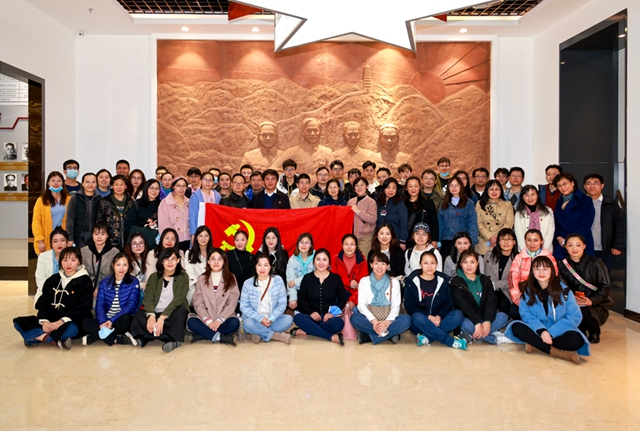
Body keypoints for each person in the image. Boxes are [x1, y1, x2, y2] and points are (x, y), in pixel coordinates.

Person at [505, 255, 589, 364]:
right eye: (537, 269)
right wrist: (542, 331)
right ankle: (555, 352)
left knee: (576, 340)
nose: (541, 272)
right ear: (532, 272)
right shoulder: (527, 290)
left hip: (559, 330)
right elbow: (526, 315)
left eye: (545, 269)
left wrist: (551, 333)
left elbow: (574, 317)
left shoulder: (565, 291)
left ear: (552, 271)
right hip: (537, 329)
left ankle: (535, 344)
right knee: (516, 327)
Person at [14, 247, 93, 349]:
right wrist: (45, 322)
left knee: (72, 328)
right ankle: (53, 339)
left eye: (73, 260)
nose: (69, 264)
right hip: (51, 320)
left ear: (79, 262)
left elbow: (84, 306)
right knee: (19, 322)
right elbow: (43, 303)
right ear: (60, 261)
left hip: (71, 320)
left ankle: (37, 337)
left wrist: (61, 321)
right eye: (65, 260)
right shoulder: (52, 280)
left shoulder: (85, 280)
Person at [131, 248, 189, 352]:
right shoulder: (154, 277)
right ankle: (170, 338)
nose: (170, 262)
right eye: (166, 259)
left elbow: (178, 300)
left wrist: (162, 318)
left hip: (172, 313)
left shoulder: (183, 277)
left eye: (173, 259)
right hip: (156, 312)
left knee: (180, 313)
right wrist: (151, 316)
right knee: (138, 316)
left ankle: (150, 336)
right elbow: (148, 298)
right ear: (162, 261)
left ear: (178, 260)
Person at [404, 250, 466, 349]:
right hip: (421, 322)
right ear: (420, 264)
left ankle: (427, 337)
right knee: (417, 316)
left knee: (458, 314)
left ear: (436, 264)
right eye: (426, 263)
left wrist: (438, 316)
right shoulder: (412, 282)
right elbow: (409, 305)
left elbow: (448, 304)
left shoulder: (443, 281)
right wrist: (428, 316)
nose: (429, 266)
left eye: (432, 263)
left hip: (439, 321)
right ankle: (450, 341)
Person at [558, 233, 614, 344]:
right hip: (574, 300)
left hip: (596, 301)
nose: (574, 248)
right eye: (570, 245)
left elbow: (605, 287)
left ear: (584, 246)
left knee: (585, 312)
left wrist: (591, 300)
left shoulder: (596, 262)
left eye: (578, 245)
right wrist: (572, 298)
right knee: (573, 311)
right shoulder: (561, 265)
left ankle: (594, 331)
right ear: (565, 247)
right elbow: (563, 286)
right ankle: (580, 330)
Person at [450, 250, 510, 344]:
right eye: (465, 262)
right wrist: (476, 323)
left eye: (472, 262)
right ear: (460, 264)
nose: (469, 266)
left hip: (484, 316)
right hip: (468, 319)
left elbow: (491, 302)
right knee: (465, 325)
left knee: (503, 317)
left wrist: (487, 321)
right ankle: (493, 338)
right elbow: (463, 305)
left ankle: (477, 335)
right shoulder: (455, 282)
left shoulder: (485, 280)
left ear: (477, 263)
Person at [351, 252, 411, 344]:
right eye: (376, 263)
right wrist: (374, 322)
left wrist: (386, 323)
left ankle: (371, 337)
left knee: (406, 320)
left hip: (388, 318)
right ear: (371, 265)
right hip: (370, 319)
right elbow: (361, 305)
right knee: (354, 318)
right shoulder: (364, 281)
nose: (379, 267)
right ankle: (389, 335)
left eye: (383, 264)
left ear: (387, 266)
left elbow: (396, 306)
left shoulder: (394, 282)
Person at [81, 253, 140, 346]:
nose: (121, 268)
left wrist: (112, 321)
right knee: (85, 322)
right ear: (113, 265)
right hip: (107, 317)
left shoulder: (134, 282)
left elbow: (131, 305)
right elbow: (100, 304)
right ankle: (116, 339)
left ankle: (96, 335)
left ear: (129, 266)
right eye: (118, 265)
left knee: (126, 319)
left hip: (120, 319)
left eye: (125, 265)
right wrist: (102, 322)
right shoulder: (105, 282)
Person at [293, 249, 347, 344]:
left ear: (329, 262)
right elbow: (301, 301)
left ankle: (306, 330)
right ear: (314, 262)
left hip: (329, 318)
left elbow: (342, 300)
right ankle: (330, 337)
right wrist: (311, 312)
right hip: (311, 317)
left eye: (324, 260)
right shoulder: (307, 278)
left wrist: (331, 314)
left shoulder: (336, 278)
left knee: (338, 324)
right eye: (318, 259)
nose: (321, 263)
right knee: (298, 318)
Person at [187, 249, 240, 345]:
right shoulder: (201, 279)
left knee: (234, 323)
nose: (216, 262)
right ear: (208, 261)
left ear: (224, 262)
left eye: (219, 259)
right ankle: (220, 337)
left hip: (224, 318)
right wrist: (208, 321)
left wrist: (219, 320)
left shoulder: (231, 278)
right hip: (205, 318)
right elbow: (198, 302)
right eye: (213, 259)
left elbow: (232, 303)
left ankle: (205, 334)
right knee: (191, 322)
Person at [239, 252, 293, 344]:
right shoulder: (248, 283)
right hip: (254, 319)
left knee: (288, 319)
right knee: (248, 323)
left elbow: (282, 304)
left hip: (272, 319)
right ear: (255, 266)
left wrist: (271, 318)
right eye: (259, 265)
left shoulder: (278, 280)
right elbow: (244, 306)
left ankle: (258, 332)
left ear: (270, 267)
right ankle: (276, 335)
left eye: (265, 265)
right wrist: (260, 319)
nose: (262, 268)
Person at [508, 229, 557, 318]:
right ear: (525, 241)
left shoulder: (548, 257)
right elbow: (512, 278)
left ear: (541, 241)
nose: (532, 243)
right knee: (514, 312)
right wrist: (516, 296)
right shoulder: (519, 257)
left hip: (543, 293)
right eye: (529, 240)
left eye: (535, 240)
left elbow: (554, 277)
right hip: (524, 293)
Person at [583, 173, 626, 270]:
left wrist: (618, 245)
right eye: (588, 183)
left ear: (602, 185)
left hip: (605, 248)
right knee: (585, 275)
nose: (592, 186)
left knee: (604, 275)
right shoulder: (580, 203)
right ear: (584, 186)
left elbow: (620, 225)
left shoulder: (610, 203)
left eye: (596, 183)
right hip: (584, 248)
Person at [552, 172, 595, 260]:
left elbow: (586, 223)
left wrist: (572, 240)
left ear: (572, 183)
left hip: (580, 242)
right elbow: (556, 222)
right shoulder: (559, 201)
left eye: (565, 184)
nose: (563, 187)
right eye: (559, 185)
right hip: (562, 243)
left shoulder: (585, 200)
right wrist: (558, 236)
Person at [438, 176, 478, 258]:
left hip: (463, 241)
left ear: (461, 186)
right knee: (448, 264)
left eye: (456, 185)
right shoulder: (443, 203)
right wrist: (438, 240)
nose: (454, 188)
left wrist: (472, 242)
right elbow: (440, 224)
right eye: (451, 185)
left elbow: (472, 224)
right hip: (446, 240)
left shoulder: (469, 203)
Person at [483, 228, 518, 315]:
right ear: (498, 242)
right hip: (488, 288)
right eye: (503, 239)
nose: (506, 242)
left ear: (514, 242)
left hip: (507, 290)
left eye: (509, 239)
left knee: (503, 305)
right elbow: (482, 271)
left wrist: (494, 285)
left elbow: (514, 281)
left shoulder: (518, 258)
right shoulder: (489, 253)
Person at [33, 171, 70, 255]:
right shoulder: (41, 200)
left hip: (64, 239)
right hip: (46, 239)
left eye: (59, 180)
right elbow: (36, 222)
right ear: (48, 183)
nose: (56, 183)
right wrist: (40, 240)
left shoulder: (69, 199)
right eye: (53, 180)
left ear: (63, 183)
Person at [475, 179, 514, 255]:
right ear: (487, 191)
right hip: (484, 240)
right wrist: (490, 237)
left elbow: (509, 224)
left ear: (501, 191)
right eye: (491, 189)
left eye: (497, 189)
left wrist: (497, 237)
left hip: (502, 241)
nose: (494, 192)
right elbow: (478, 223)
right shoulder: (479, 204)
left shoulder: (507, 205)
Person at [81, 222, 120, 295]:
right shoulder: (84, 251)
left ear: (107, 235)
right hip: (87, 287)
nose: (99, 237)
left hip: (108, 288)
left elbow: (116, 274)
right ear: (92, 235)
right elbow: (81, 271)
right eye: (96, 234)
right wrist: (90, 286)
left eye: (102, 234)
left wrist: (102, 288)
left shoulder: (115, 252)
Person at [96, 174, 134, 250]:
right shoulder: (104, 202)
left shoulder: (131, 202)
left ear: (125, 186)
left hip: (129, 242)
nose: (119, 187)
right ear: (112, 186)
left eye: (121, 185)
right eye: (116, 185)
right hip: (110, 242)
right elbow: (99, 222)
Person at [34, 227, 70, 306]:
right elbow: (40, 280)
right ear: (51, 244)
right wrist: (51, 294)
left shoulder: (73, 257)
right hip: (47, 295)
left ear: (67, 242)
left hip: (67, 295)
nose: (59, 244)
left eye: (62, 240)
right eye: (55, 241)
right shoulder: (43, 257)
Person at [332, 234, 369, 311]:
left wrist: (353, 300)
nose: (349, 247)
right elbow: (333, 280)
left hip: (355, 294)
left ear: (356, 246)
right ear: (342, 245)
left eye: (352, 244)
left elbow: (363, 285)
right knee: (334, 312)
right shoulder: (335, 259)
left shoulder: (362, 261)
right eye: (346, 244)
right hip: (337, 294)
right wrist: (349, 282)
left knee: (355, 312)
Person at [65, 172, 101, 249]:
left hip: (95, 238)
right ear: (82, 184)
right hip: (79, 237)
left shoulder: (100, 199)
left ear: (96, 184)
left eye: (93, 182)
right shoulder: (75, 198)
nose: (90, 184)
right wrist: (70, 238)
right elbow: (70, 219)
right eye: (87, 182)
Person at [514, 184, 555, 252]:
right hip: (525, 251)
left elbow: (550, 232)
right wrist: (526, 251)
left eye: (533, 194)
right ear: (523, 198)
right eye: (526, 195)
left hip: (545, 251)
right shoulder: (519, 213)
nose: (530, 198)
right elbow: (519, 234)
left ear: (537, 195)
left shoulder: (548, 211)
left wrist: (543, 250)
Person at [404, 175, 438, 248]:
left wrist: (434, 239)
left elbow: (434, 221)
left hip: (424, 239)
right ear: (406, 188)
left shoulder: (427, 202)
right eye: (410, 186)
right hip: (407, 240)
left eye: (416, 186)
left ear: (420, 187)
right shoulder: (402, 203)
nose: (413, 189)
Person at [124, 179, 161, 247]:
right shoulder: (137, 204)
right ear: (146, 189)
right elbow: (129, 225)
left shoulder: (162, 204)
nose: (154, 191)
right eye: (151, 188)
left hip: (157, 242)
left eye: (157, 188)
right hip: (139, 241)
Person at [346, 176, 377, 257]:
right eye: (357, 185)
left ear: (367, 186)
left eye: (362, 185)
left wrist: (358, 211)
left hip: (365, 237)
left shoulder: (371, 202)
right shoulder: (350, 202)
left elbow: (373, 219)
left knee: (363, 259)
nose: (359, 187)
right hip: (352, 237)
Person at [158, 176, 190, 251]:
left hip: (188, 239)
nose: (181, 188)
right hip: (172, 241)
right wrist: (167, 240)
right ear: (173, 186)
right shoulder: (165, 203)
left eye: (184, 186)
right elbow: (163, 225)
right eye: (178, 186)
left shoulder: (189, 202)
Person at [285, 233, 315, 312]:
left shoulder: (316, 258)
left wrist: (296, 281)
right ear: (297, 244)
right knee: (290, 297)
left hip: (314, 289)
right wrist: (293, 298)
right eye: (301, 242)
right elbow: (290, 282)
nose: (304, 245)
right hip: (299, 291)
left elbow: (315, 277)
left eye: (307, 243)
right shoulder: (292, 260)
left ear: (311, 245)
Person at [185, 226, 214, 305]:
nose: (203, 239)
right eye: (200, 236)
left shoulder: (214, 253)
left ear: (209, 238)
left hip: (212, 288)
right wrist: (202, 287)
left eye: (206, 236)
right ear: (196, 238)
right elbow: (190, 274)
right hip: (195, 288)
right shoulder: (189, 253)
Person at [376, 177, 408, 247]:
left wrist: (402, 241)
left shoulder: (400, 204)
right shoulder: (379, 202)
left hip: (395, 239)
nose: (391, 190)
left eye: (394, 188)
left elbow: (403, 223)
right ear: (384, 189)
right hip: (380, 239)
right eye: (388, 187)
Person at [225, 230, 254, 303]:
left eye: (242, 240)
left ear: (247, 241)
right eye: (237, 240)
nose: (240, 243)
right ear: (234, 241)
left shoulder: (252, 257)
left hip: (248, 293)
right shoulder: (227, 255)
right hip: (231, 292)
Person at [189, 172, 221, 236]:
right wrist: (193, 234)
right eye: (205, 180)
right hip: (199, 229)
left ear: (213, 182)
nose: (207, 182)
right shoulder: (195, 196)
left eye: (210, 180)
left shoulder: (217, 196)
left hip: (213, 228)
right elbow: (192, 217)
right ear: (200, 181)